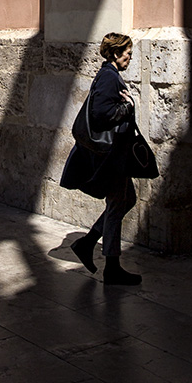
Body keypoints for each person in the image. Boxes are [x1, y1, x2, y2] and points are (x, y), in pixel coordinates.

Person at [60, 32, 144, 285]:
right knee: (119, 203)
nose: (130, 58)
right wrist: (127, 106)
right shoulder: (109, 76)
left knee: (126, 199)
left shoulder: (109, 74)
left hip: (113, 155)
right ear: (116, 54)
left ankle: (87, 243)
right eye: (128, 54)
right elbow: (99, 114)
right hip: (111, 156)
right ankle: (112, 266)